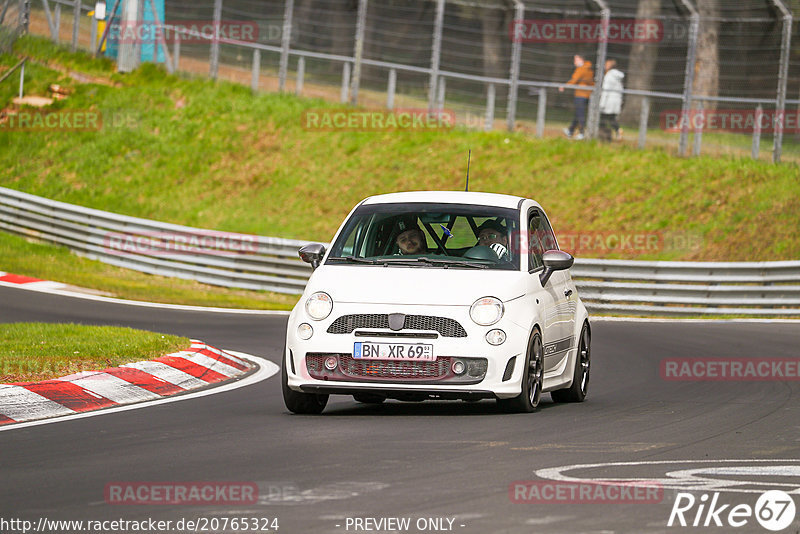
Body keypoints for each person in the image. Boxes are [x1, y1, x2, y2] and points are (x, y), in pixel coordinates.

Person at [559, 54, 594, 140]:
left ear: (581, 60)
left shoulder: (581, 69)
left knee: (580, 114)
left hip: (580, 94)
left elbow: (574, 79)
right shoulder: (588, 68)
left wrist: (564, 86)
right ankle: (570, 130)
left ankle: (582, 133)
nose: (574, 62)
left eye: (576, 60)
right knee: (578, 113)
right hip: (587, 94)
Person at [599, 58, 625, 141]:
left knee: (602, 118)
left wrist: (602, 104)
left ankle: (603, 135)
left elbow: (605, 90)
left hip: (608, 101)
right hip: (616, 100)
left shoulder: (609, 76)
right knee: (611, 118)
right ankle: (618, 130)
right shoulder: (618, 77)